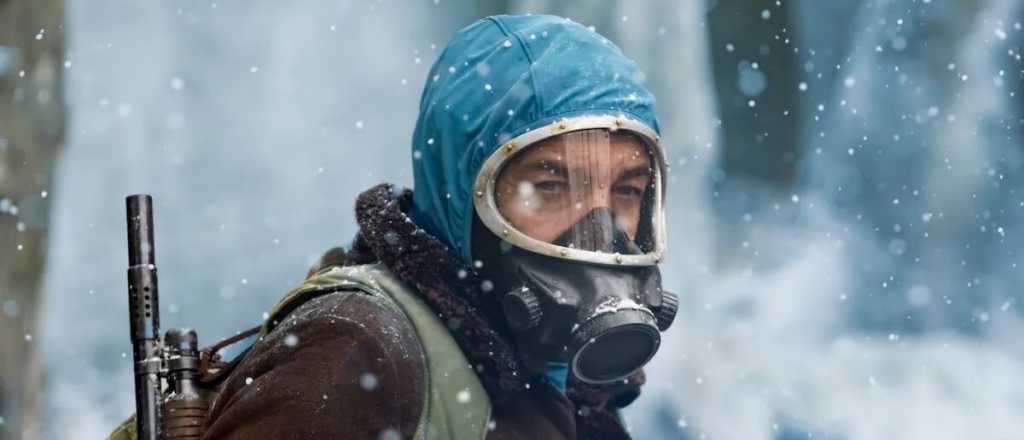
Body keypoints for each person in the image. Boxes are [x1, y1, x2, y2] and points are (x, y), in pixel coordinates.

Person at [196, 14, 677, 440]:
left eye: (626, 191)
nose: (599, 226)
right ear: (462, 195)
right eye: (550, 187)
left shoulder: (567, 382)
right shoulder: (357, 351)